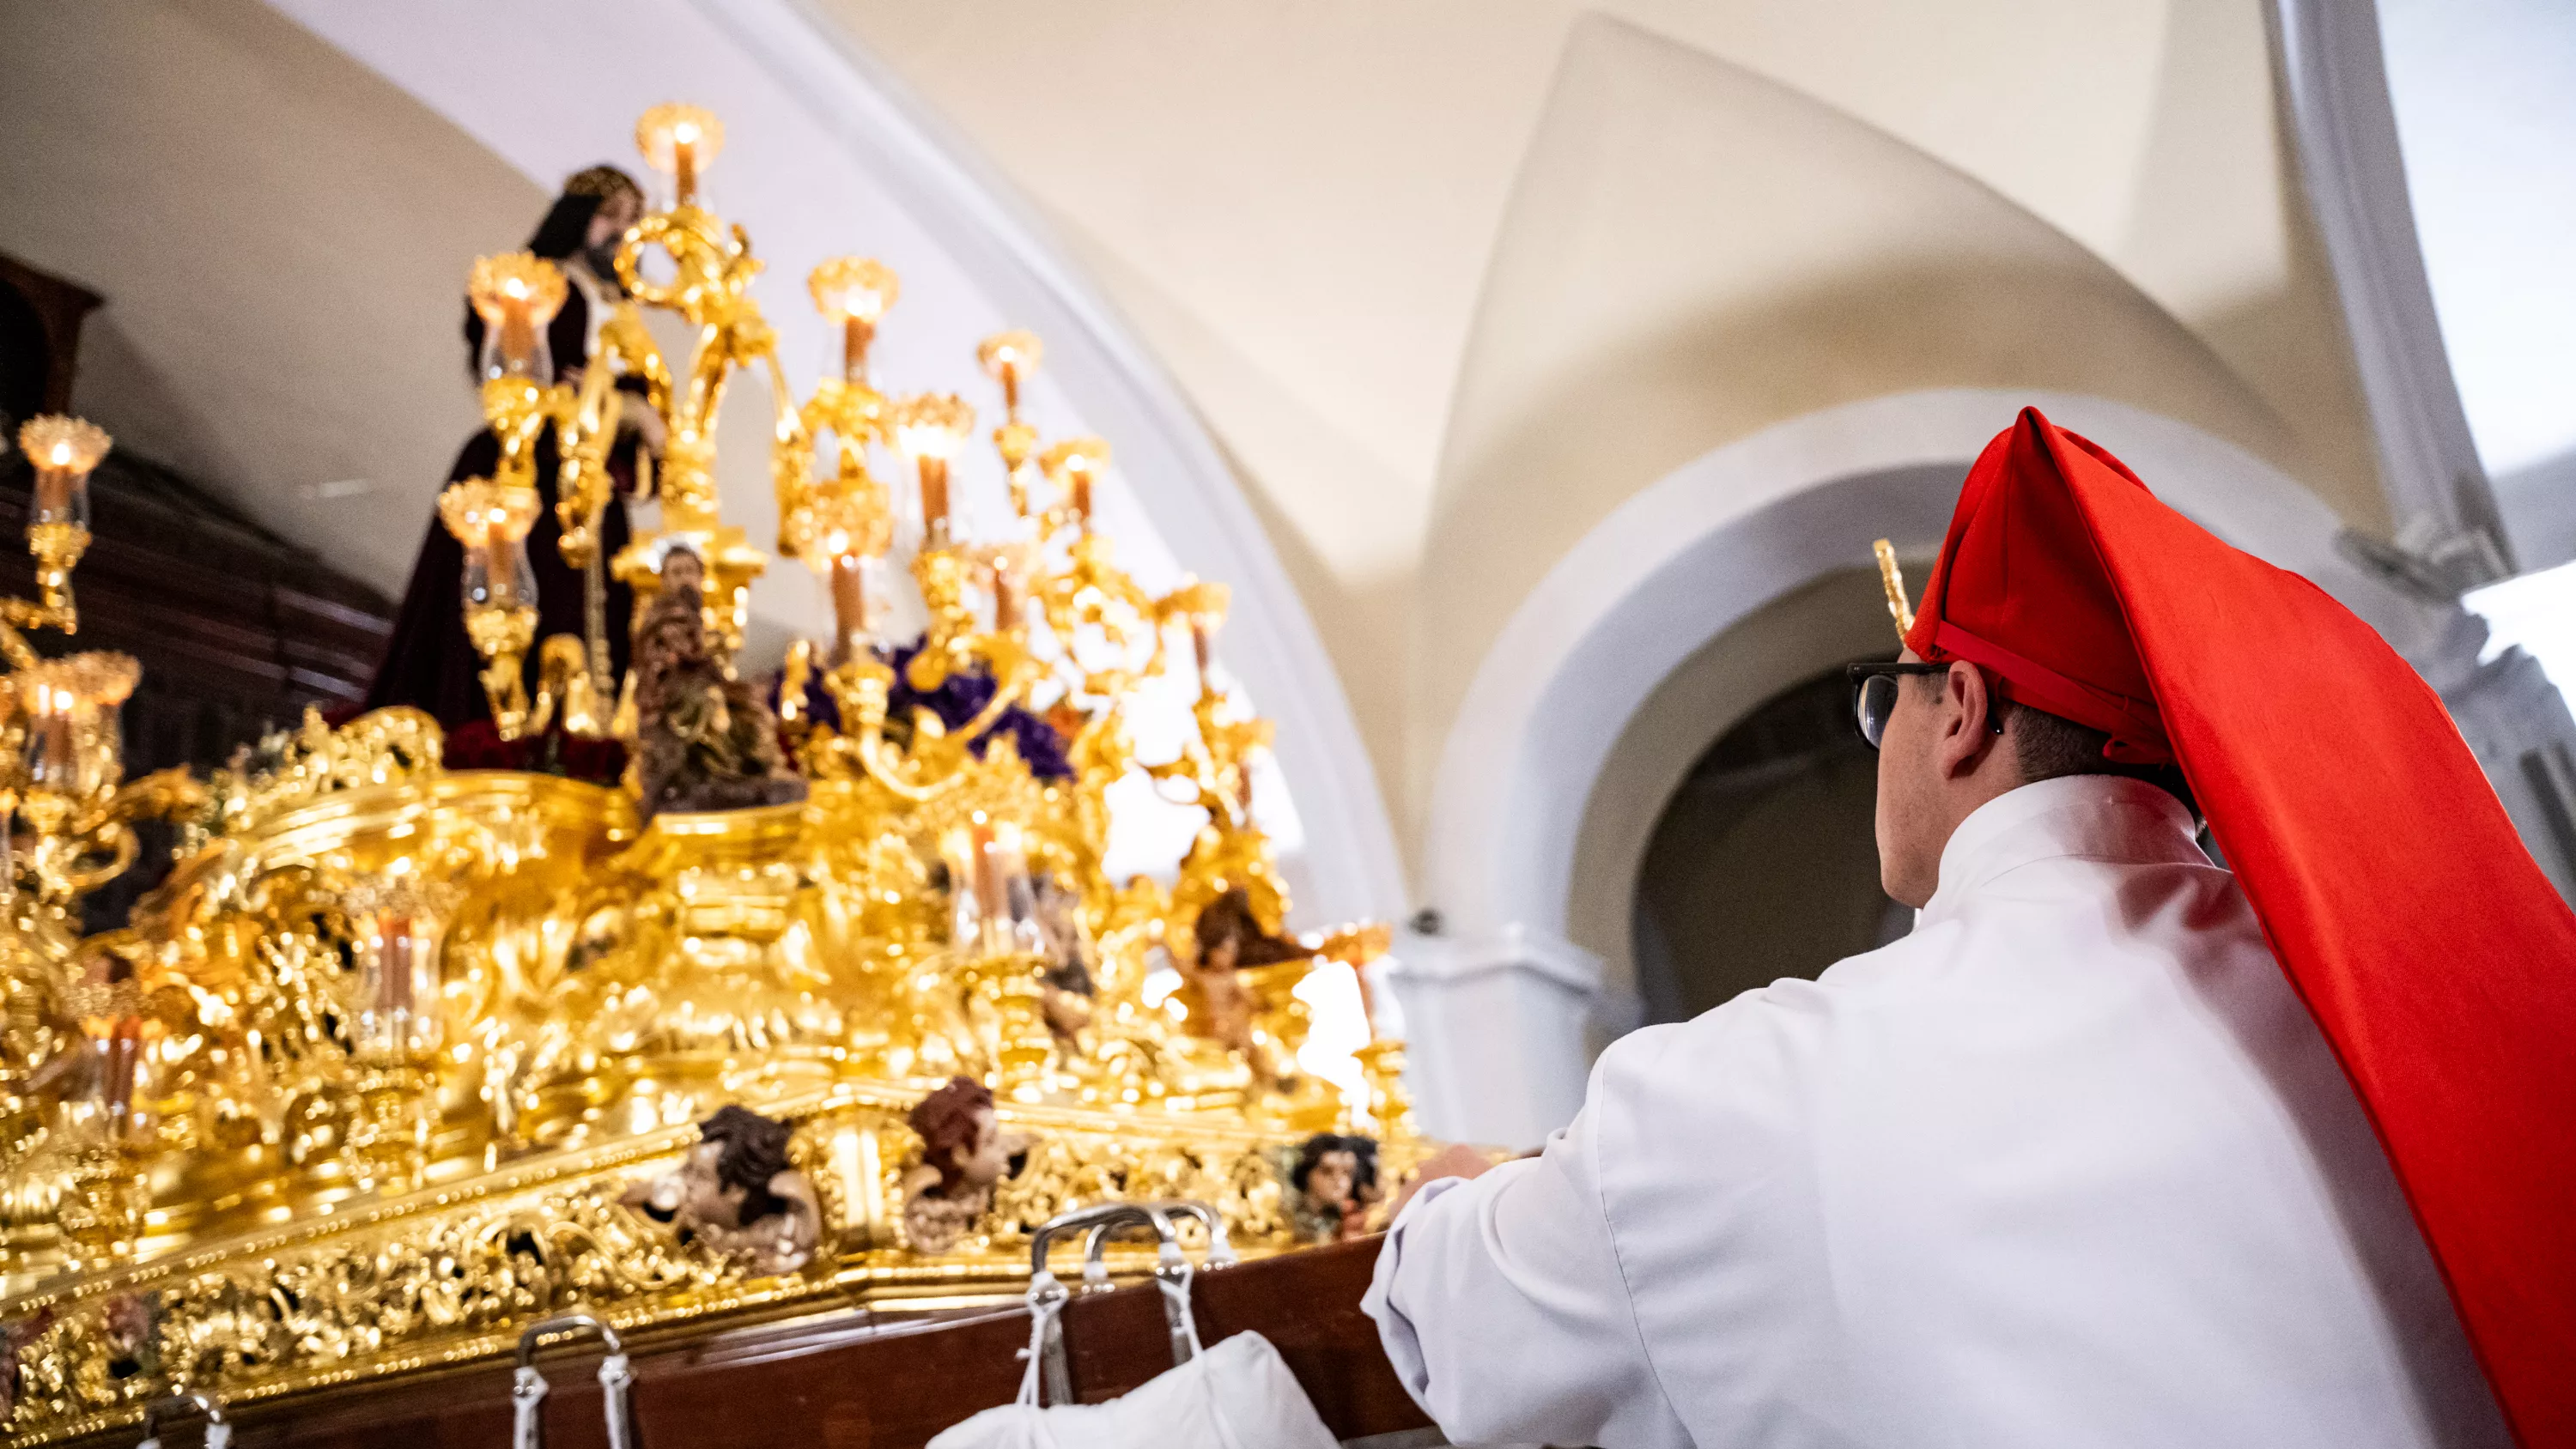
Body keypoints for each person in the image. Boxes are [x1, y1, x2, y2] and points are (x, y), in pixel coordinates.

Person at [1364, 408, 2576, 1448]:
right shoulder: (2388, 1005)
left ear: (1963, 715)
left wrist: (1451, 1191)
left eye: (1882, 704)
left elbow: (1458, 1335)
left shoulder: (1733, 1099)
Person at [362, 165, 660, 726]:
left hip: (593, 480)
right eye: (609, 216)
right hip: (531, 467)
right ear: (577, 218)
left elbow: (645, 410)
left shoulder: (623, 313)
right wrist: (618, 405)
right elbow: (520, 371)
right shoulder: (541, 285)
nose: (622, 233)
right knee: (519, 597)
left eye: (633, 222)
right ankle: (499, 726)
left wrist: (630, 410)